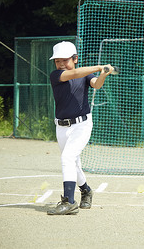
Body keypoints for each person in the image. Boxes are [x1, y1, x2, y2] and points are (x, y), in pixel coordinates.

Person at [47, 41, 114, 215]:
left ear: (75, 58)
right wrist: (100, 66)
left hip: (82, 124)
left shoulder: (85, 75)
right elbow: (75, 72)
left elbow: (96, 85)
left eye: (65, 60)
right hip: (61, 126)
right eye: (58, 61)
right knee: (73, 163)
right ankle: (86, 190)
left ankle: (69, 201)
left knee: (67, 158)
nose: (61, 64)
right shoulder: (56, 75)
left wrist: (103, 74)